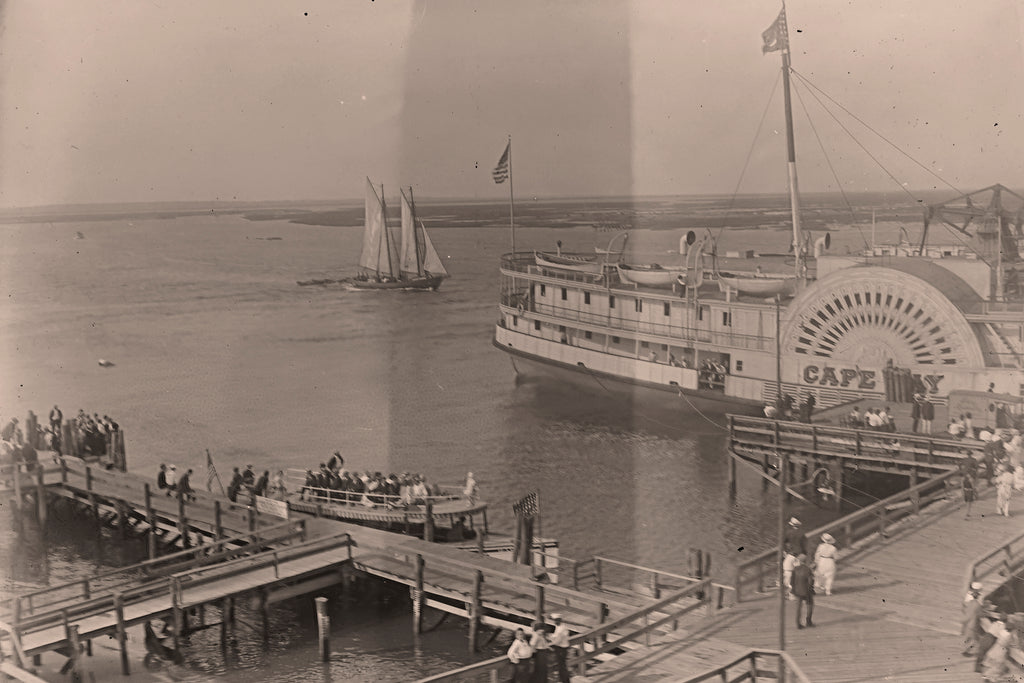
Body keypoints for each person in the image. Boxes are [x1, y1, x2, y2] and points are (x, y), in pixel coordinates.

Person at [791, 554, 815, 629]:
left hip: (798, 591)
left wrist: (794, 589)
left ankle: (798, 623)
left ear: (799, 561)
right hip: (807, 591)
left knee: (798, 607)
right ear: (805, 561)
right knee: (810, 605)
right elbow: (810, 581)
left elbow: (791, 582)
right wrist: (810, 588)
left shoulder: (795, 569)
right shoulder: (808, 569)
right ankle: (808, 621)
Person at [961, 582, 984, 657]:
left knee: (968, 638)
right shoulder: (977, 604)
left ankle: (965, 650)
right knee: (974, 639)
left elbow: (966, 609)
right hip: (973, 624)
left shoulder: (970, 602)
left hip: (968, 623)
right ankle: (970, 652)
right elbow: (980, 614)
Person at [549, 614, 571, 683]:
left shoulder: (561, 629)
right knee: (561, 666)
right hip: (562, 648)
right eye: (554, 620)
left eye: (556, 620)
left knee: (562, 667)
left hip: (561, 649)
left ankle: (565, 681)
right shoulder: (560, 626)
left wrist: (549, 641)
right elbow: (555, 635)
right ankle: (564, 680)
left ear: (560, 620)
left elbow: (557, 642)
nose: (555, 622)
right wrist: (552, 637)